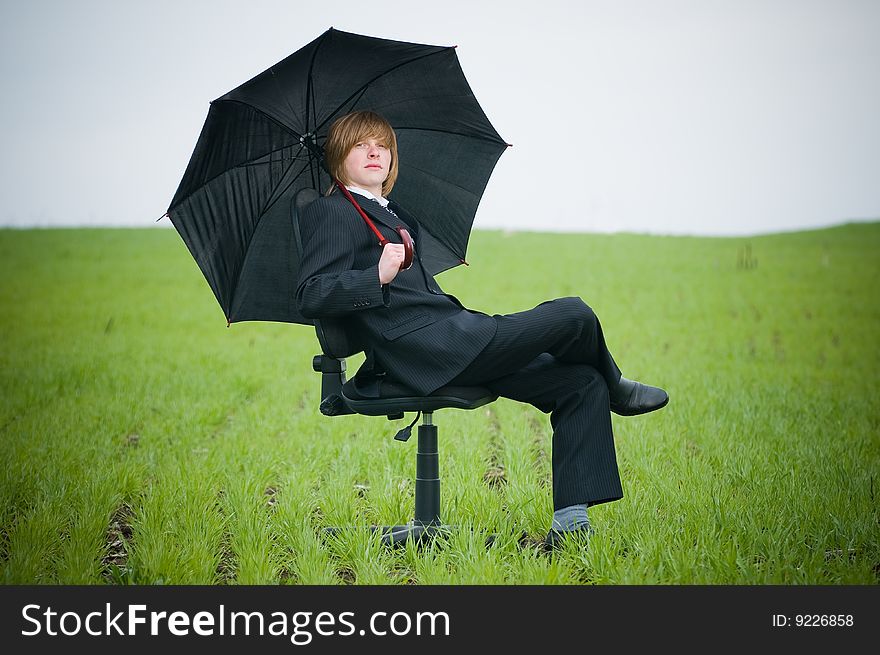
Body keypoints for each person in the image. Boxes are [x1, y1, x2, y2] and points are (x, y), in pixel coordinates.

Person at [295, 110, 668, 549]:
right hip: (427, 351)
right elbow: (311, 293)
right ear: (338, 158)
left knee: (581, 384)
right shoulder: (331, 212)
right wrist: (373, 277)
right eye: (359, 145)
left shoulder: (390, 214)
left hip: (452, 338)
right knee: (572, 314)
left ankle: (570, 530)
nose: (374, 151)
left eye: (381, 144)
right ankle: (618, 387)